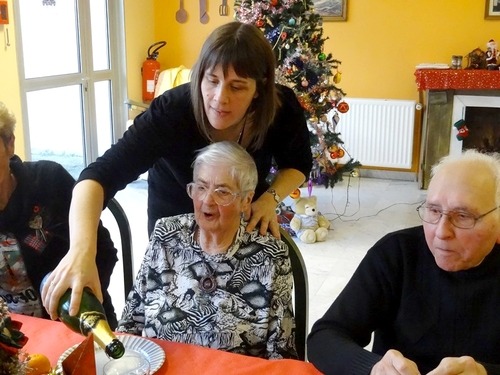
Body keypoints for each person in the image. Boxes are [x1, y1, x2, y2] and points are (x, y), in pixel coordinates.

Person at [42, 21, 312, 320]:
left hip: (240, 221)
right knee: (179, 313)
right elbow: (96, 178)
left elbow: (298, 164)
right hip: (175, 223)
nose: (219, 98)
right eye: (211, 80)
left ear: (260, 89)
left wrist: (269, 199)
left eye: (237, 87)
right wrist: (81, 251)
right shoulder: (171, 111)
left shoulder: (281, 107)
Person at [307, 149, 500, 375]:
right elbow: (324, 337)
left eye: (463, 216)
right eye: (434, 211)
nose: (441, 232)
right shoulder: (397, 253)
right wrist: (373, 368)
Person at [116, 141, 297, 359]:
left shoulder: (269, 255)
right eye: (200, 187)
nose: (207, 200)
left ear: (246, 200)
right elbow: (129, 326)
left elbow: (282, 354)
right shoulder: (166, 235)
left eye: (222, 191)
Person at [0, 101, 119, 328]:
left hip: (74, 322)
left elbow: (104, 251)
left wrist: (76, 302)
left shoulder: (49, 181)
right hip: (10, 337)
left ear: (9, 144)